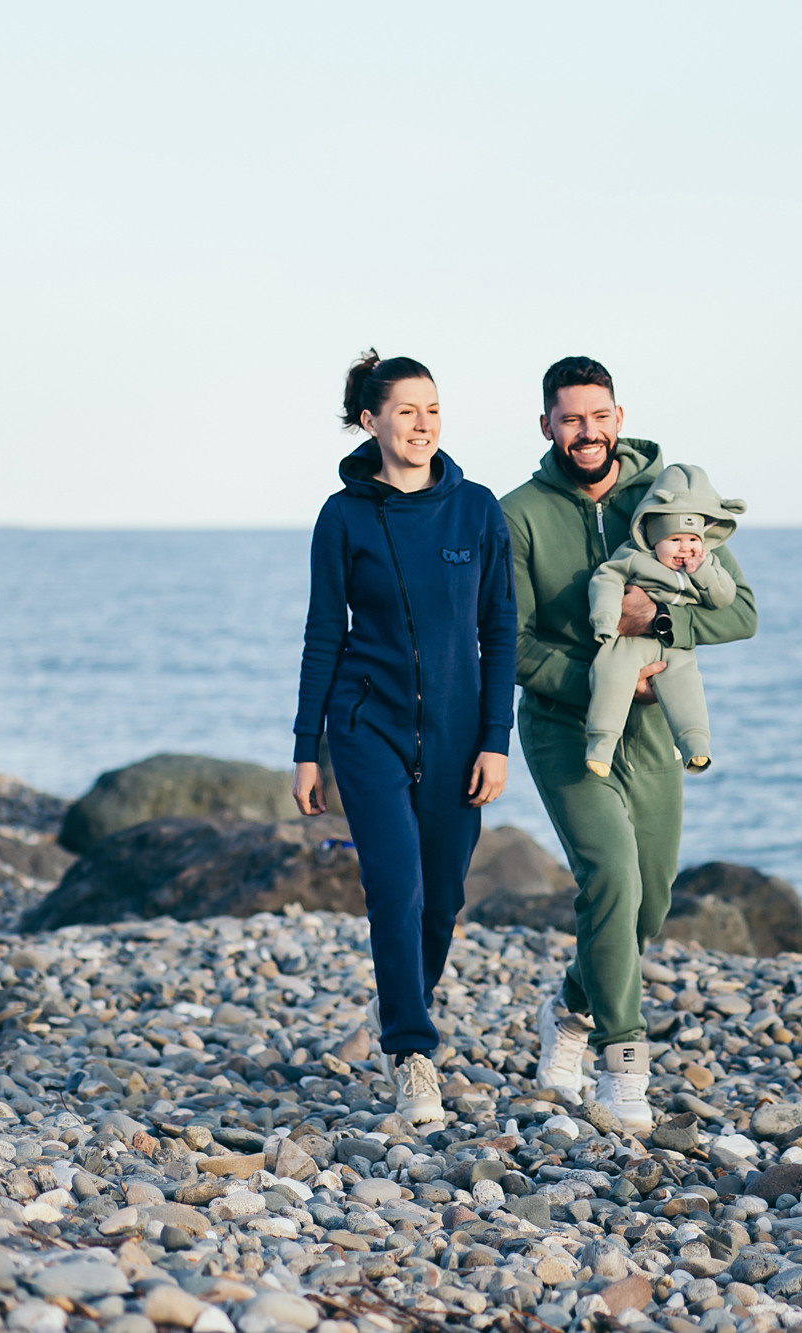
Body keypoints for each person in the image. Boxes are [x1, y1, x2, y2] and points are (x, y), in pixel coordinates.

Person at [501, 357, 756, 1127]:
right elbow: (508, 643)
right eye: (571, 418)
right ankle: (624, 1071)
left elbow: (741, 610)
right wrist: (598, 679)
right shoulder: (516, 515)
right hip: (563, 728)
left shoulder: (669, 495)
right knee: (610, 877)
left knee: (649, 903)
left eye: (599, 415)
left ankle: (572, 1008)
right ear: (547, 424)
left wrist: (663, 626)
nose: (588, 431)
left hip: (651, 733)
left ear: (619, 416)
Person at [291, 351, 516, 1125]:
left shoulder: (477, 509)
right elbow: (325, 633)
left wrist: (496, 738)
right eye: (406, 411)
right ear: (371, 421)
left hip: (458, 733)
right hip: (365, 724)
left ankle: (403, 1009)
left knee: (443, 895)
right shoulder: (343, 515)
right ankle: (411, 1052)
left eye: (433, 410)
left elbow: (500, 629)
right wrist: (304, 748)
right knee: (395, 886)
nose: (423, 424)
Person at [584, 464, 746, 776]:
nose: (686, 548)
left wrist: (704, 572)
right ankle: (602, 745)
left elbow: (724, 598)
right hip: (630, 642)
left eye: (693, 540)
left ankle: (695, 745)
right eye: (675, 540)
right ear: (653, 538)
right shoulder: (633, 558)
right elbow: (605, 580)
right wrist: (604, 620)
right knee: (611, 674)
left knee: (686, 686)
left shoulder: (705, 563)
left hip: (675, 647)